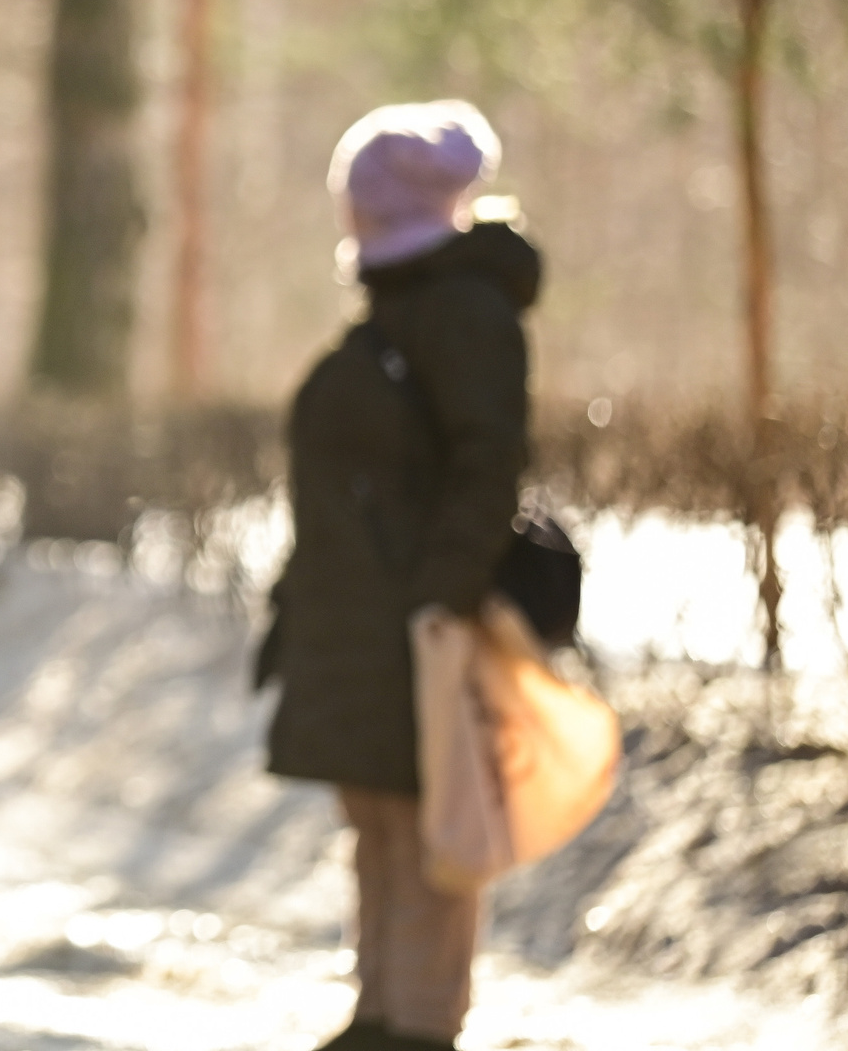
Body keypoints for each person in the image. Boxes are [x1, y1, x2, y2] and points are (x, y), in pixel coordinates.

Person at [261, 100, 542, 1051]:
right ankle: (379, 1010)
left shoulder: (460, 310)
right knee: (378, 813)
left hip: (418, 615)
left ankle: (420, 1024)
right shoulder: (405, 304)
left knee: (434, 824)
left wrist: (442, 597)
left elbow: (488, 464)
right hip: (363, 614)